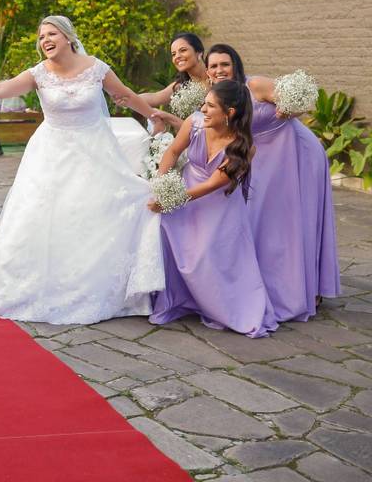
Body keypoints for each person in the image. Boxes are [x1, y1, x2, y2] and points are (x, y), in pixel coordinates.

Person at [0, 15, 167, 324]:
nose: (45, 41)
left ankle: (97, 280)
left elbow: (125, 95)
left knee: (103, 210)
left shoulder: (97, 68)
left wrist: (153, 115)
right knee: (44, 216)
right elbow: (0, 89)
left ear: (68, 37)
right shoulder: (39, 73)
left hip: (94, 153)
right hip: (50, 155)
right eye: (41, 37)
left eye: (51, 34)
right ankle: (39, 283)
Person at [200, 45, 339, 321]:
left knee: (296, 220)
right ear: (207, 71)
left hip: (296, 154)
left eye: (224, 64)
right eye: (214, 66)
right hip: (260, 160)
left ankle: (309, 289)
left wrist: (290, 110)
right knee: (267, 223)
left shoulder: (255, 85)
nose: (219, 70)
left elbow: (302, 100)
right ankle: (274, 285)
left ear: (235, 64)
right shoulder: (218, 96)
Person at [148, 80, 278, 337]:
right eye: (204, 104)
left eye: (210, 106)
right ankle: (179, 300)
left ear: (229, 113)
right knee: (165, 233)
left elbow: (212, 185)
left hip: (217, 205)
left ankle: (225, 306)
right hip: (185, 191)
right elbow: (173, 152)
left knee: (207, 253)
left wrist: (173, 199)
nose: (203, 110)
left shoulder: (244, 148)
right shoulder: (194, 124)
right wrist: (161, 184)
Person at [134, 32, 209, 130]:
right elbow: (155, 97)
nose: (177, 56)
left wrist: (169, 118)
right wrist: (124, 96)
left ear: (199, 52)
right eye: (173, 54)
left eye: (183, 50)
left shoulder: (215, 79)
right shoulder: (181, 86)